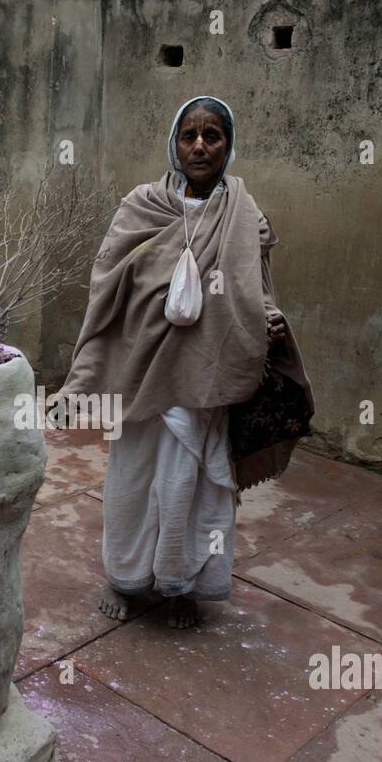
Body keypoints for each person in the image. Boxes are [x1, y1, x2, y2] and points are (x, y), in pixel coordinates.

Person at [53, 95, 313, 629]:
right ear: (173, 143)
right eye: (188, 135)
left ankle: (181, 586)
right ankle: (123, 578)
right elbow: (107, 297)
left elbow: (256, 291)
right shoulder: (140, 208)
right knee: (132, 484)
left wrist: (270, 319)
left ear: (227, 145)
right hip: (141, 376)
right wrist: (83, 379)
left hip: (206, 380)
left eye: (211, 135)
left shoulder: (243, 212)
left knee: (193, 487)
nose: (199, 145)